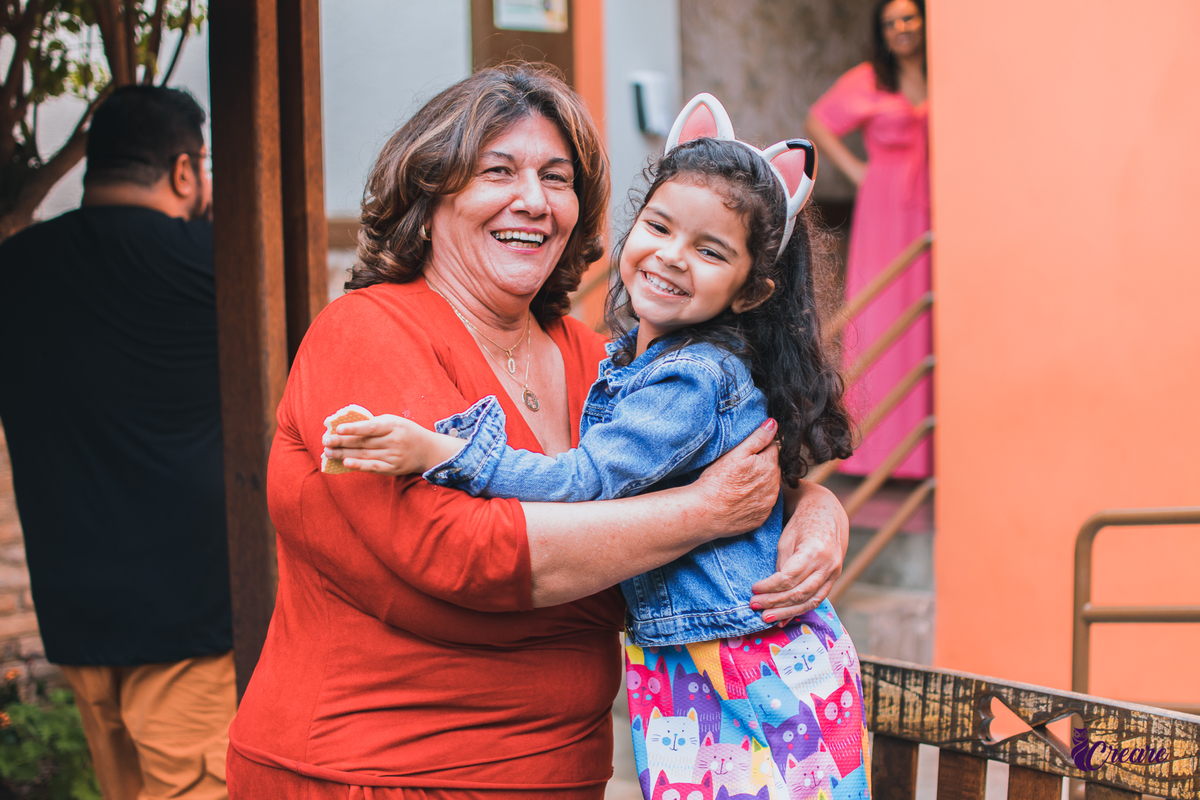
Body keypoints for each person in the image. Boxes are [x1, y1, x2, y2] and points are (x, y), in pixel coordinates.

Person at [225, 65, 850, 800]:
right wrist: (707, 513)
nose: (533, 200)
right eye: (498, 171)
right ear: (431, 192)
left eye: (557, 178)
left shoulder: (605, 365)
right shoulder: (365, 333)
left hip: (565, 774)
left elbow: (719, 458)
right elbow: (469, 554)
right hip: (373, 773)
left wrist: (815, 512)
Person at [0, 86, 235, 800]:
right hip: (192, 627)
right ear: (185, 170)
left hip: (74, 619)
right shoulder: (220, 266)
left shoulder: (15, 269)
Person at [807, 0, 931, 478]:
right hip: (884, 206)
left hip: (935, 198)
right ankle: (877, 452)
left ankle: (927, 452)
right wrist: (859, 170)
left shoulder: (948, 71)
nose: (901, 28)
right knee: (883, 312)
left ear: (924, 22)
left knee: (928, 314)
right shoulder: (868, 78)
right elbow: (817, 122)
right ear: (883, 32)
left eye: (909, 18)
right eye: (891, 22)